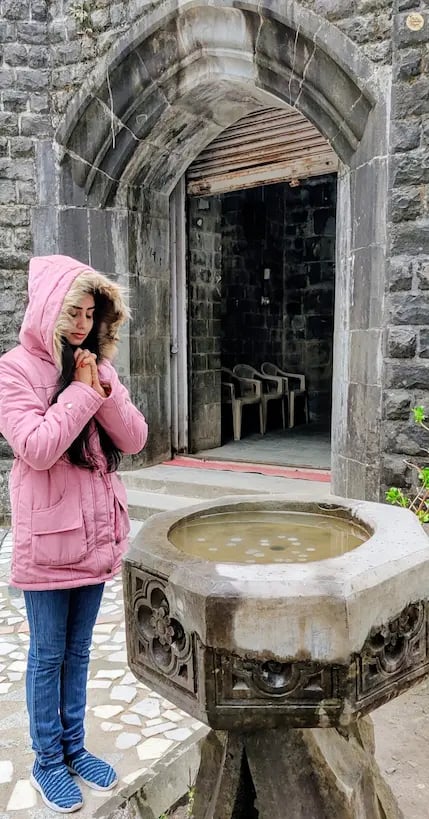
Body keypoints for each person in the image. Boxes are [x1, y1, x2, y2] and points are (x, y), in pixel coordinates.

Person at [0, 255, 148, 814]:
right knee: (47, 655)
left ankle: (75, 747)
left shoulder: (99, 367)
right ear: (47, 311)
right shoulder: (13, 369)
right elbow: (36, 447)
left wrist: (101, 387)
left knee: (80, 652)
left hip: (95, 537)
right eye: (72, 312)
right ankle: (47, 760)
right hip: (48, 539)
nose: (82, 324)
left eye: (90, 313)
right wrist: (82, 394)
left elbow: (133, 439)